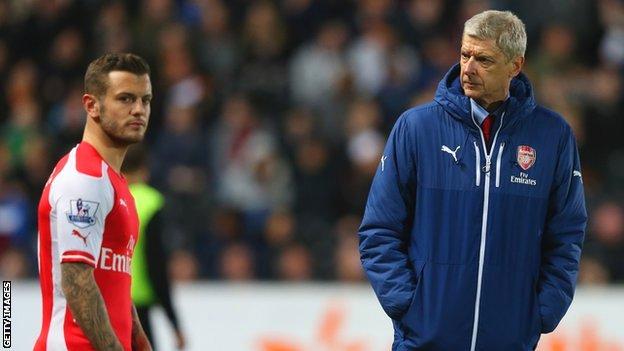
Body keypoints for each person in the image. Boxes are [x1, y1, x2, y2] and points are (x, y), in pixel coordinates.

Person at [359, 10, 586, 350]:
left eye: (484, 60)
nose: (468, 68)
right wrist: (409, 305)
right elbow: (379, 229)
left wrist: (542, 311)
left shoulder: (552, 136)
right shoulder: (416, 128)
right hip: (425, 339)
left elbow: (566, 233)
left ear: (515, 65)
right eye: (465, 55)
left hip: (509, 339)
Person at [34, 53, 153, 351]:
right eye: (125, 99)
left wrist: (140, 343)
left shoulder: (114, 182)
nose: (139, 110)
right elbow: (77, 283)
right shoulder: (84, 178)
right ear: (91, 105)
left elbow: (115, 282)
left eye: (145, 100)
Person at [122, 145, 186, 350]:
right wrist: (174, 323)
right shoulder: (151, 203)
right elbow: (156, 266)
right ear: (145, 170)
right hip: (138, 310)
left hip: (108, 304)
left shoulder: (107, 198)